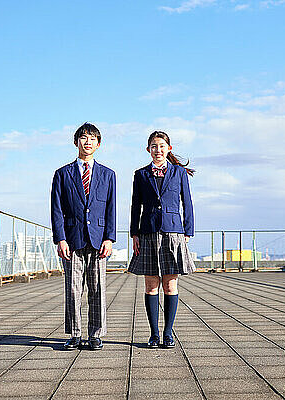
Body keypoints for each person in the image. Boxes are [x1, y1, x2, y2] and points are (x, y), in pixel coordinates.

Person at [51, 122, 116, 350]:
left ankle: (96, 334)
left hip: (99, 240)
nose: (87, 142)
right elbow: (57, 209)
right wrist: (60, 239)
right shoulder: (62, 174)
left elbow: (111, 208)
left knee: (98, 289)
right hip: (72, 239)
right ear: (76, 141)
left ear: (98, 144)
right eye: (83, 138)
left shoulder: (108, 175)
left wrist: (109, 238)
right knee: (73, 288)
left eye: (92, 139)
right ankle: (75, 334)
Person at [128, 131, 195, 348]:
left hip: (173, 231)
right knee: (150, 285)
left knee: (170, 284)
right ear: (148, 149)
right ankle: (154, 334)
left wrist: (187, 232)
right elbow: (135, 206)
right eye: (154, 146)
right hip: (147, 232)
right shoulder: (140, 174)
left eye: (162, 146)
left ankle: (168, 333)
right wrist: (134, 234)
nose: (158, 150)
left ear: (169, 148)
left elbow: (188, 202)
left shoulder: (179, 173)